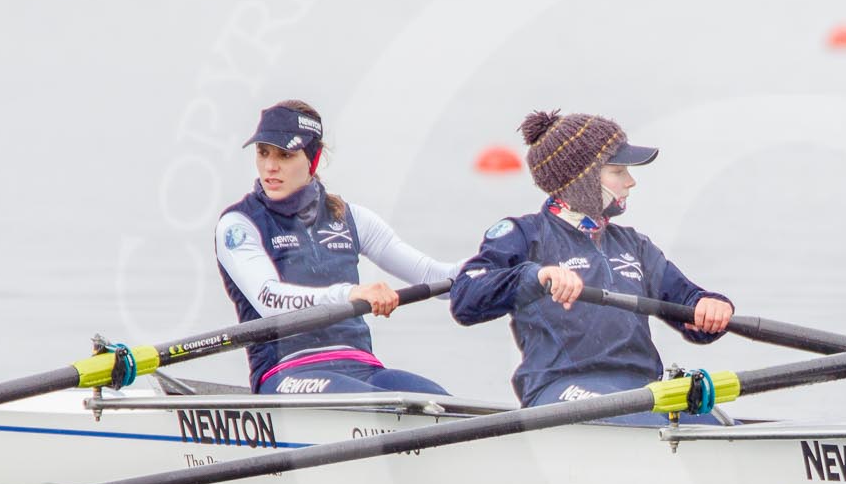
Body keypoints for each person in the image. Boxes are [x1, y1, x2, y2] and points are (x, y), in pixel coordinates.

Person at [450, 109, 733, 417]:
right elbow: (466, 299)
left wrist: (711, 306)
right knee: (630, 413)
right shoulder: (524, 236)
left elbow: (687, 301)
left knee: (715, 421)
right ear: (580, 178)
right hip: (559, 386)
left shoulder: (634, 246)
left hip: (641, 389)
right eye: (618, 172)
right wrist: (536, 276)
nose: (631, 182)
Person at [215, 101, 459, 396]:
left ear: (313, 159)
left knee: (443, 401)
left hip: (362, 367)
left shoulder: (352, 218)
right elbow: (269, 299)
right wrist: (349, 293)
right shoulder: (239, 224)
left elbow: (434, 275)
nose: (270, 166)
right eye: (263, 152)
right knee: (375, 406)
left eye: (285, 155)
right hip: (287, 371)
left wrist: (504, 267)